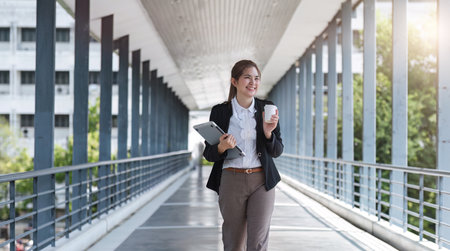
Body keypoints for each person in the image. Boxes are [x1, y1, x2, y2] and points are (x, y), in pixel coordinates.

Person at [203, 59, 283, 251]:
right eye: (247, 77)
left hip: (262, 181)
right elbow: (209, 153)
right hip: (231, 179)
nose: (253, 82)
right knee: (234, 242)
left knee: (257, 243)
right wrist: (222, 147)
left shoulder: (267, 109)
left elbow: (277, 151)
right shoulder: (220, 112)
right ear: (234, 81)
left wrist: (268, 133)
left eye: (256, 78)